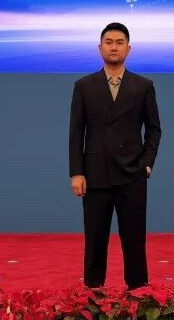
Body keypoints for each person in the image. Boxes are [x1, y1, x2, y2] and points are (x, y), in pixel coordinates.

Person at [68, 23, 161, 289]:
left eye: (119, 42)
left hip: (132, 174)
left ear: (128, 49)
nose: (114, 47)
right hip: (95, 174)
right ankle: (93, 294)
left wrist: (146, 164)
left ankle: (138, 294)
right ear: (99, 48)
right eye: (108, 42)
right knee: (95, 239)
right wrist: (77, 172)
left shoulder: (143, 86)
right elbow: (76, 132)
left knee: (134, 239)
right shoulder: (84, 86)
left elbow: (154, 129)